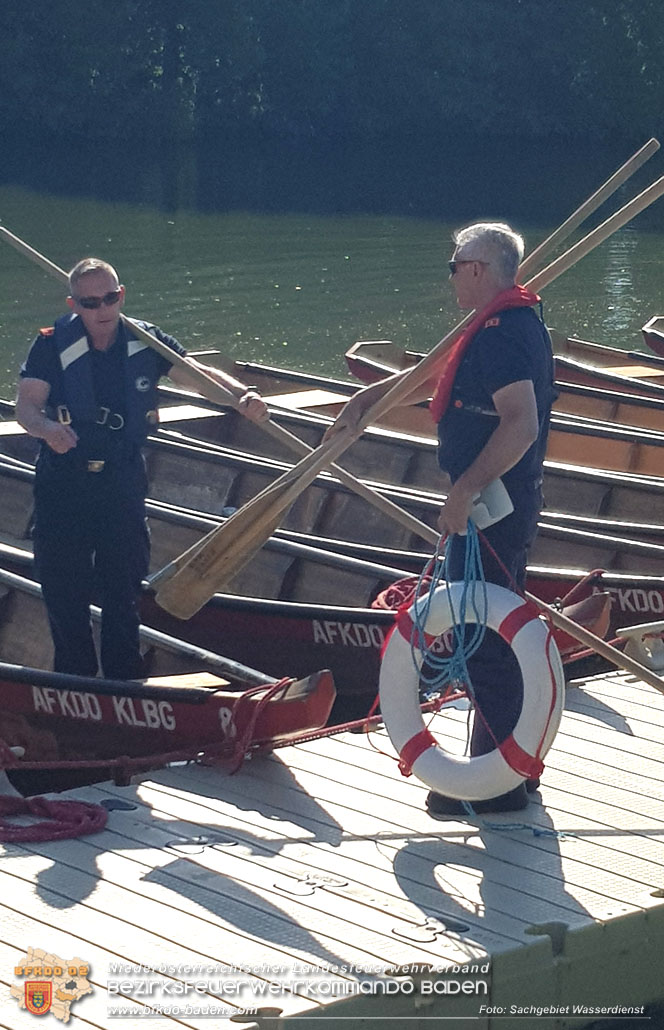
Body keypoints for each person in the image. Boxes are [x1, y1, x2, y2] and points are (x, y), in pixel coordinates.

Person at [326, 222, 555, 815]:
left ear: (477, 268)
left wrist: (467, 488)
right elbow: (438, 376)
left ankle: (499, 784)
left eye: (454, 266)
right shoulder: (495, 322)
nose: (450, 275)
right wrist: (368, 401)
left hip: (493, 508)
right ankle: (510, 771)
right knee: (484, 633)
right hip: (493, 503)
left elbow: (520, 423)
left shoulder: (502, 332)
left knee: (485, 640)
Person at [16, 257, 269, 681]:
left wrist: (242, 396)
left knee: (124, 588)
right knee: (64, 589)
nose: (101, 310)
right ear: (73, 303)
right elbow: (26, 406)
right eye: (90, 301)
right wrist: (45, 430)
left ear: (122, 296)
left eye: (109, 298)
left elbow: (198, 376)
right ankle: (75, 681)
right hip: (64, 480)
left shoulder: (145, 340)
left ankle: (124, 681)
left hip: (120, 478)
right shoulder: (51, 343)